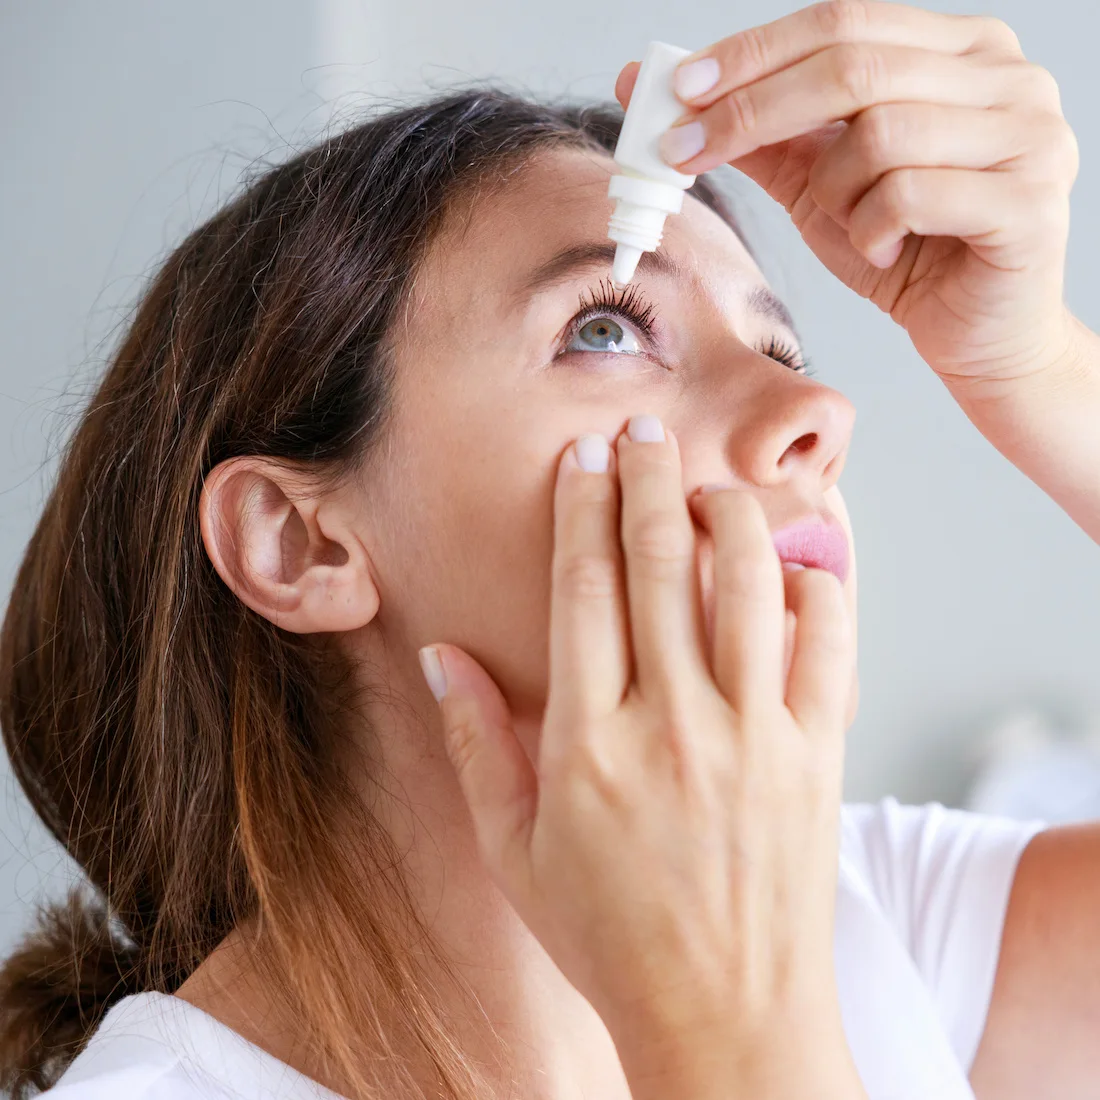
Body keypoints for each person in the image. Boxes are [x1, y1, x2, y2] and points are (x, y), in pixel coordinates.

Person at [1, 2, 1098, 1098]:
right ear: (299, 541)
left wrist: (1041, 369)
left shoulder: (850, 916)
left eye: (778, 344)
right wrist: (725, 1026)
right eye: (605, 326)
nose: (813, 408)